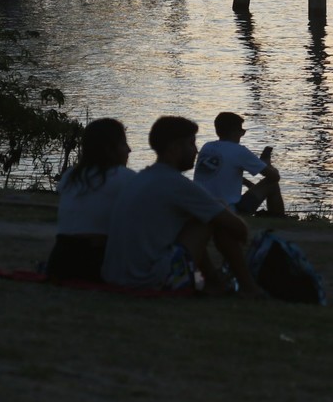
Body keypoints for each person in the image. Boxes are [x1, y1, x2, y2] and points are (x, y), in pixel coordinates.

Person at [102, 115, 263, 296]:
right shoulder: (175, 183)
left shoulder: (142, 178)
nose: (196, 151)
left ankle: (213, 282)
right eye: (191, 144)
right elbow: (240, 229)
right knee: (210, 220)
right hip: (148, 281)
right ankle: (249, 287)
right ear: (174, 148)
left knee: (203, 217)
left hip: (117, 277)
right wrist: (223, 208)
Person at [46, 118, 133, 282]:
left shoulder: (70, 176)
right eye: (123, 144)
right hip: (93, 263)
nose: (129, 150)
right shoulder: (124, 178)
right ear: (109, 149)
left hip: (58, 261)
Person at [194, 111, 285, 217]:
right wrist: (268, 165)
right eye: (242, 131)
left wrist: (248, 183)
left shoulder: (207, 147)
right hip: (229, 212)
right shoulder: (239, 151)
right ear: (234, 132)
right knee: (272, 183)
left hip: (200, 207)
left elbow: (221, 174)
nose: (242, 134)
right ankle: (279, 219)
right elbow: (274, 177)